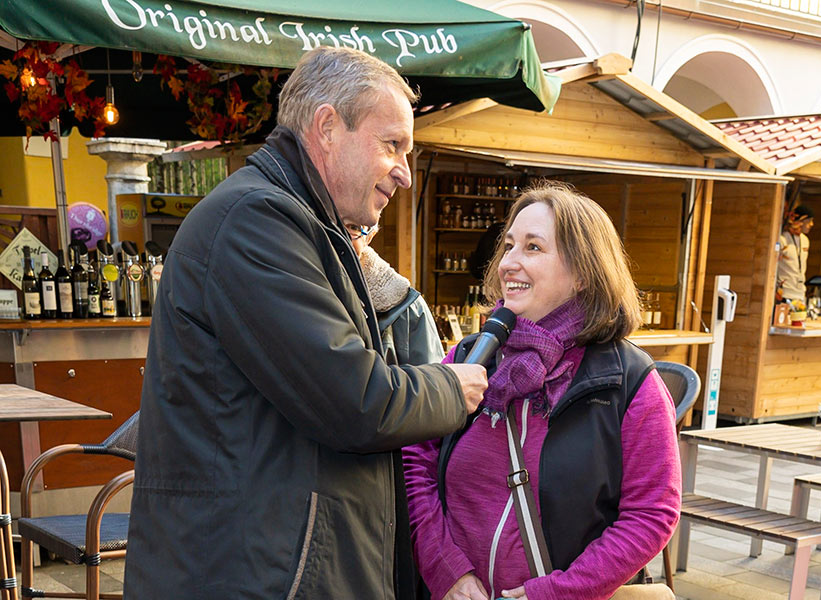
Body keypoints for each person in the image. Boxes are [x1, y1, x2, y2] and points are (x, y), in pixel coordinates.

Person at [124, 47, 488, 600]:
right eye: (392, 144)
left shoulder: (295, 220)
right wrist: (450, 386)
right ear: (326, 127)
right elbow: (358, 402)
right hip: (253, 574)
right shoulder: (257, 219)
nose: (405, 174)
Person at [403, 182, 681, 600]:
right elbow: (416, 466)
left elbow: (650, 515)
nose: (509, 263)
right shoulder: (468, 359)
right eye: (509, 245)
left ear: (584, 272)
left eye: (533, 248)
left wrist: (554, 593)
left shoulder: (627, 381)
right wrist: (446, 571)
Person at [345, 221, 445, 365]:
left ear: (370, 237)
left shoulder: (409, 309)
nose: (339, 236)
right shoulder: (306, 294)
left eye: (353, 228)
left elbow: (432, 382)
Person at [777, 204, 814, 304]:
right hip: (784, 293)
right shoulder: (783, 239)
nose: (812, 224)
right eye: (809, 221)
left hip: (800, 293)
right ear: (800, 221)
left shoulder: (805, 240)